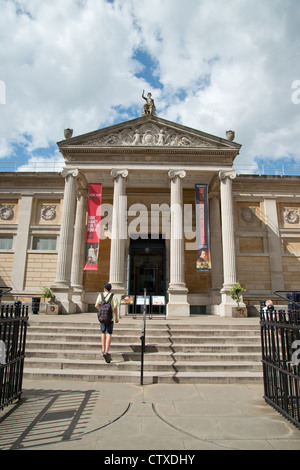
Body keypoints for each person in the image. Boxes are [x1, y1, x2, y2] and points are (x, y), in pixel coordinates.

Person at [95, 283, 119, 363]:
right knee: (109, 333)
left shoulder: (100, 295)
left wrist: (101, 310)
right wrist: (116, 317)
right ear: (110, 289)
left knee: (103, 332)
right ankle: (107, 351)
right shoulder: (113, 296)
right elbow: (115, 307)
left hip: (102, 317)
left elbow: (96, 305)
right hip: (110, 317)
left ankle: (103, 349)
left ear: (104, 288)